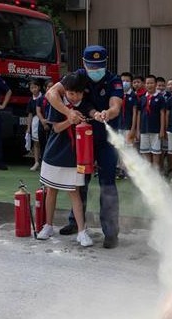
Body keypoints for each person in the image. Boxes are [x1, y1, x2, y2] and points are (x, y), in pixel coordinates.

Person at [46, 45, 123, 249]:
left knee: (107, 184)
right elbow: (51, 94)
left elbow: (116, 105)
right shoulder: (78, 76)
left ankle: (110, 231)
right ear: (84, 63)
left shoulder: (114, 81)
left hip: (106, 140)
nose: (94, 70)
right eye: (91, 66)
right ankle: (76, 224)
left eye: (99, 67)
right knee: (79, 181)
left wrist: (108, 112)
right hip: (82, 140)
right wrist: (68, 112)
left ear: (105, 65)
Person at [36, 72, 94, 247]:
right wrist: (71, 118)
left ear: (83, 92)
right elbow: (57, 128)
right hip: (54, 153)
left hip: (74, 157)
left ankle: (82, 231)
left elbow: (90, 117)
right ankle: (48, 226)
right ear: (65, 91)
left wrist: (92, 116)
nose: (73, 97)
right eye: (70, 93)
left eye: (77, 93)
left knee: (74, 192)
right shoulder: (58, 104)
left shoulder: (85, 105)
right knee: (51, 191)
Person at [136, 74, 166, 170]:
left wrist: (162, 130)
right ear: (145, 84)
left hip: (156, 130)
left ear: (156, 84)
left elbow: (162, 114)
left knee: (156, 152)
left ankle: (156, 172)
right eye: (147, 83)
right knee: (145, 152)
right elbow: (139, 114)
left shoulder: (160, 98)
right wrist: (138, 130)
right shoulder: (142, 98)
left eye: (152, 83)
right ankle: (149, 173)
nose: (149, 85)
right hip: (144, 129)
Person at [116, 71, 138, 179]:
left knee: (129, 149)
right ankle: (120, 169)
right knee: (120, 148)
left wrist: (133, 128)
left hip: (128, 126)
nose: (125, 83)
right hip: (118, 125)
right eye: (123, 81)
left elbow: (134, 113)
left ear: (131, 82)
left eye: (127, 81)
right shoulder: (117, 95)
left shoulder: (133, 96)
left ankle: (129, 171)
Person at [26, 79, 43, 171]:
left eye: (35, 87)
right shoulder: (30, 100)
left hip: (43, 120)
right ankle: (36, 162)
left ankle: (44, 162)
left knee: (44, 142)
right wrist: (28, 128)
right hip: (35, 122)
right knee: (36, 143)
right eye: (32, 88)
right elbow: (30, 114)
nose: (34, 89)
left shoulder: (44, 97)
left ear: (39, 87)